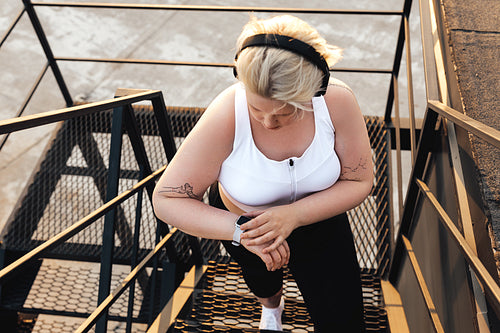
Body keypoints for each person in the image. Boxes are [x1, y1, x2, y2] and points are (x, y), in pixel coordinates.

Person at [153, 14, 373, 332]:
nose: (268, 123)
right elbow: (167, 198)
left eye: (286, 113)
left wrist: (295, 215)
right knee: (261, 280)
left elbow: (359, 179)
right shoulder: (227, 111)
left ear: (317, 90)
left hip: (319, 220)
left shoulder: (338, 101)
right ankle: (272, 308)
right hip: (246, 227)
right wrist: (242, 231)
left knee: (344, 318)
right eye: (257, 110)